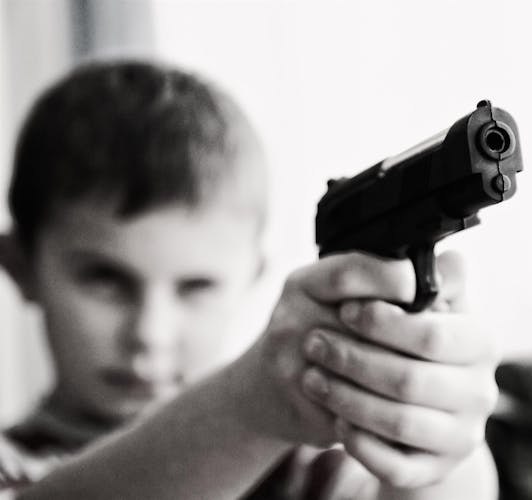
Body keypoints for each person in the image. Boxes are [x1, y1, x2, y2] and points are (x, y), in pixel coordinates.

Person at [0, 59, 500, 499]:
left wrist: (440, 444)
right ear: (20, 266)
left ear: (252, 277)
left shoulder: (308, 468)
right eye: (105, 280)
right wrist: (250, 406)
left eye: (196, 287)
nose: (149, 334)